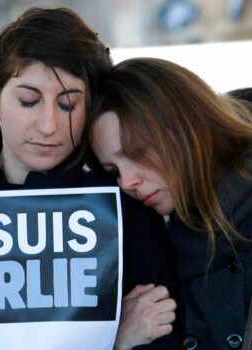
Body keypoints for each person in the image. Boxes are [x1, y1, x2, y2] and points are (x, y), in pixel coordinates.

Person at [0, 9, 180, 349]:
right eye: (29, 101)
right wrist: (113, 341)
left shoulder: (123, 211)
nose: (48, 125)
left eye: (67, 105)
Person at [90, 57, 252, 349]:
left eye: (137, 152)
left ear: (184, 124)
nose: (126, 182)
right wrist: (120, 341)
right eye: (113, 171)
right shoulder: (161, 245)